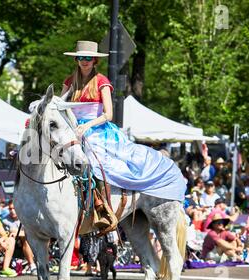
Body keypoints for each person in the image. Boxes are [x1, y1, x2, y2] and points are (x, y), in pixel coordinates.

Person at [60, 40, 186, 218]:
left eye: (88, 57)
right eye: (81, 57)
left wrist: (86, 126)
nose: (84, 60)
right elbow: (59, 105)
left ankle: (101, 206)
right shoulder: (70, 82)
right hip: (73, 128)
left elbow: (108, 114)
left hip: (95, 130)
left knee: (96, 163)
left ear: (95, 60)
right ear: (76, 60)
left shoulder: (101, 81)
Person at [2, 201, 37, 275]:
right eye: (10, 209)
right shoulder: (5, 220)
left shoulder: (26, 218)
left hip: (27, 240)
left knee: (26, 238)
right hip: (12, 242)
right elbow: (7, 234)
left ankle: (32, 265)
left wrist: (18, 233)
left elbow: (31, 232)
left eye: (14, 208)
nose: (12, 211)